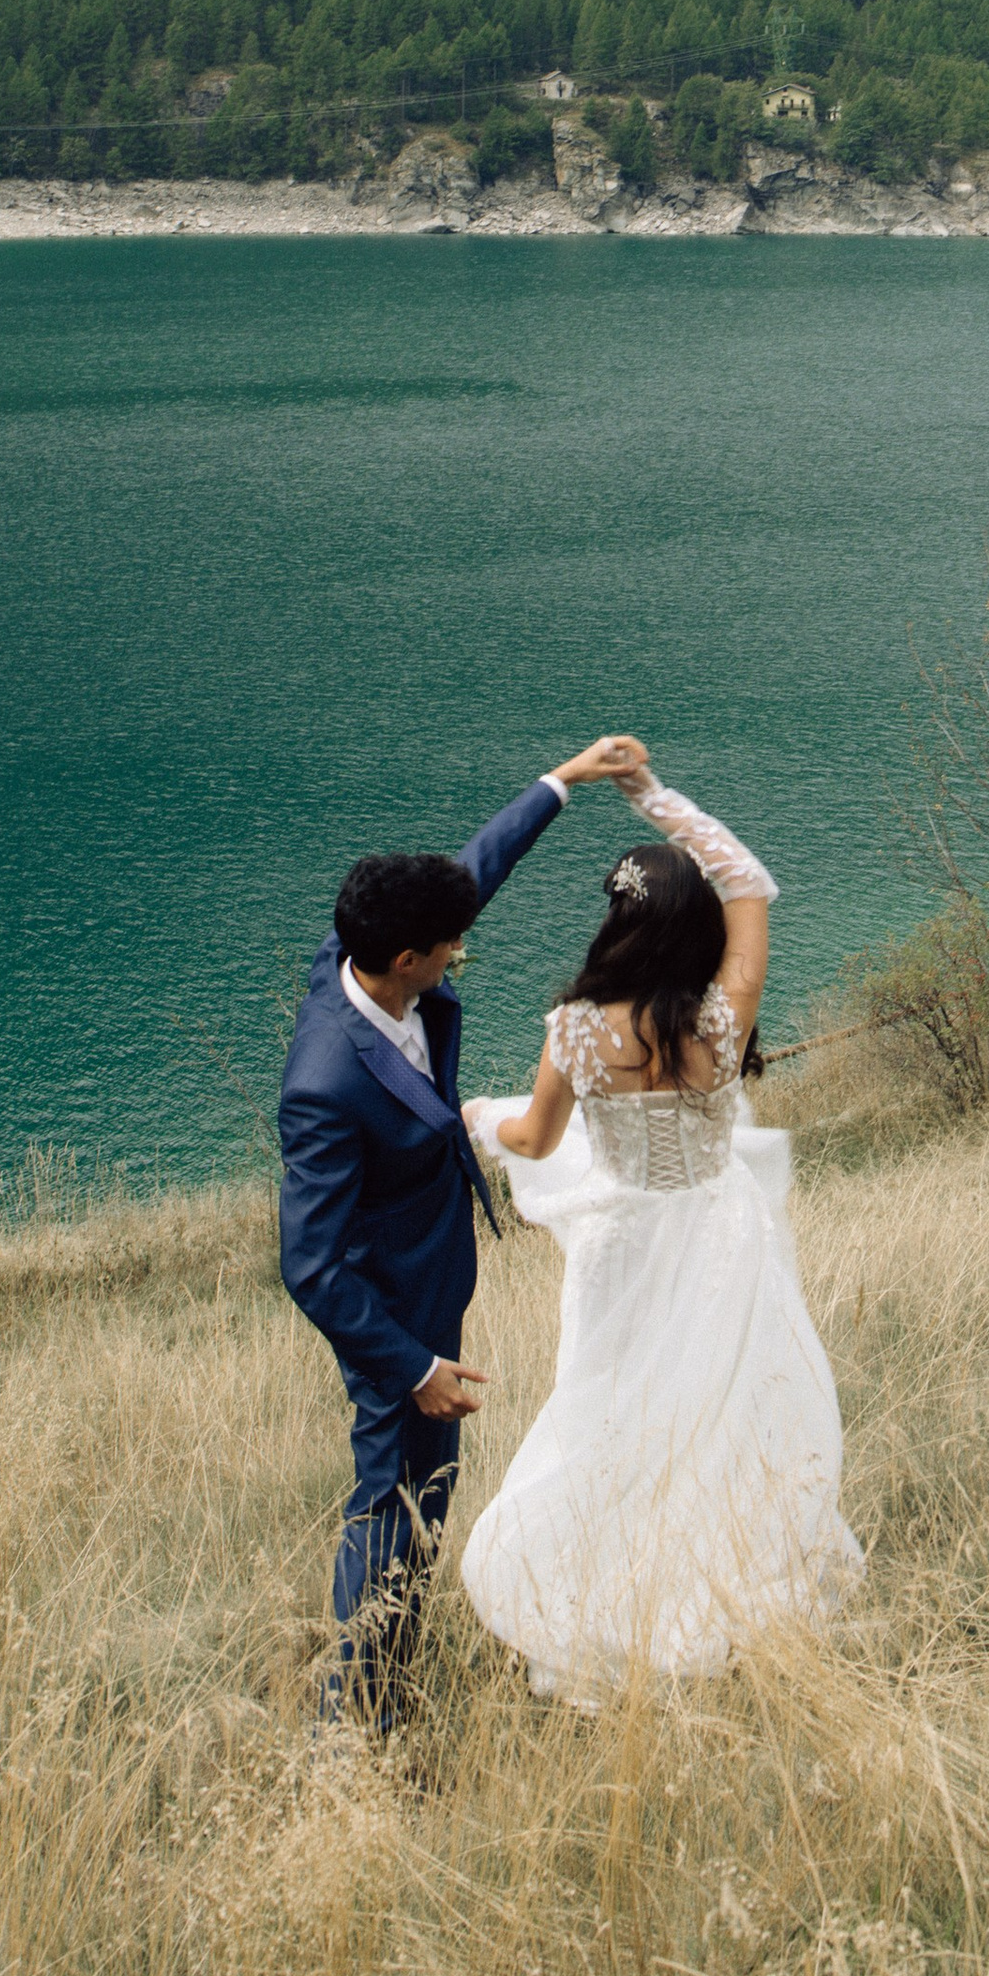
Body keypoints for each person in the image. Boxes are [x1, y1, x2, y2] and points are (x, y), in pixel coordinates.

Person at [460, 744, 863, 1700]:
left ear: (619, 921)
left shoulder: (576, 1031)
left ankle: (615, 1601)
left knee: (614, 1416)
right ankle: (720, 1582)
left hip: (623, 1250)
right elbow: (748, 879)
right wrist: (651, 795)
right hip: (721, 1234)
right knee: (724, 1412)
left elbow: (533, 1131)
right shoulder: (723, 1019)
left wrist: (478, 1117)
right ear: (697, 928)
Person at [278, 735, 638, 1732]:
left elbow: (470, 875)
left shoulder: (372, 952)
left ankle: (388, 1677)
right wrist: (409, 1364)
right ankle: (351, 1721)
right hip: (389, 1311)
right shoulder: (324, 1082)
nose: (458, 956)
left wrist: (561, 782)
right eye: (450, 952)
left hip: (435, 1272)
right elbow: (306, 1263)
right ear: (405, 960)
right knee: (390, 1501)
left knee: (423, 1492)